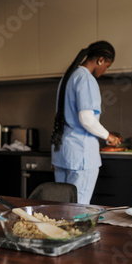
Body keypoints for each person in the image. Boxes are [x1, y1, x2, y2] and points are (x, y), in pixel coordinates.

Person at [51, 40, 121, 204]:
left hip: (63, 152)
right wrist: (108, 136)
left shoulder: (68, 78)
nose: (104, 71)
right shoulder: (86, 79)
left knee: (62, 207)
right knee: (78, 209)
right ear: (100, 60)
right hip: (80, 154)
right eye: (107, 66)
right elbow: (87, 119)